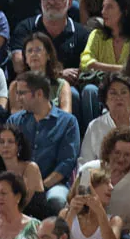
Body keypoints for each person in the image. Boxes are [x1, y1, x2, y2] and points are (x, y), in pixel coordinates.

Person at [9, 72, 79, 214]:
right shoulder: (14, 121)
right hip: (19, 183)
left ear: (39, 94)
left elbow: (67, 162)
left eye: (22, 93)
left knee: (56, 200)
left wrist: (39, 186)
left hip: (53, 185)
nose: (17, 99)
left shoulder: (67, 122)